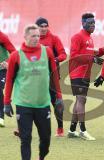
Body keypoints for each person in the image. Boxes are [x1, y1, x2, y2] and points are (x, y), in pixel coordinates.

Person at [3, 24, 64, 160]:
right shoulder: (15, 56)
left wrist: (59, 96)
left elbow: (54, 76)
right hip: (23, 105)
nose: (37, 38)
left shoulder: (47, 52)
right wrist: (7, 102)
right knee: (25, 139)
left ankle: (41, 157)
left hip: (43, 104)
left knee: (45, 140)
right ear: (25, 37)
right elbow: (9, 81)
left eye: (38, 36)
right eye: (33, 36)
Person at [68, 13, 104, 140]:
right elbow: (73, 56)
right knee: (82, 99)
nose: (93, 25)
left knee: (80, 100)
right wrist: (93, 58)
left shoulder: (89, 38)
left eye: (94, 23)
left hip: (85, 74)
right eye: (90, 23)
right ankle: (83, 130)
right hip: (77, 73)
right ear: (83, 23)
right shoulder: (77, 37)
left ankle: (72, 130)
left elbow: (92, 53)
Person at [36, 17, 67, 137]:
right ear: (36, 27)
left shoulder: (54, 39)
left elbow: (63, 55)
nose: (43, 29)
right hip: (36, 78)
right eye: (41, 26)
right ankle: (22, 127)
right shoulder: (33, 39)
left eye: (45, 26)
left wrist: (54, 59)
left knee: (57, 104)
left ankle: (60, 128)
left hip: (52, 77)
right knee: (32, 103)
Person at [0, 31, 16, 127]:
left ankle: (1, 117)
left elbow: (13, 52)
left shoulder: (2, 36)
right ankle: (6, 102)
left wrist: (7, 62)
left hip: (2, 69)